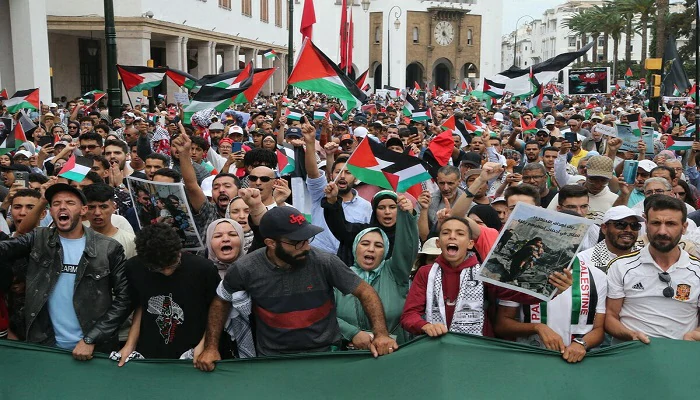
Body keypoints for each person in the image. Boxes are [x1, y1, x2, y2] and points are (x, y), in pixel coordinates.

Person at [195, 206, 398, 371]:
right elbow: (221, 300)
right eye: (296, 242)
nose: (306, 247)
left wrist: (381, 334)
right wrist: (211, 347)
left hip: (326, 355)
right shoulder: (246, 268)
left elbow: (365, 291)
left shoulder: (325, 262)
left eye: (307, 239)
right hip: (273, 360)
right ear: (270, 243)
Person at [0, 183, 129, 360]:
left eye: (70, 202)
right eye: (56, 203)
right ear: (51, 211)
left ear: (83, 210)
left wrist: (91, 339)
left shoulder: (108, 248)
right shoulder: (38, 238)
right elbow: (6, 248)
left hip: (94, 349)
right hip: (46, 346)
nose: (62, 207)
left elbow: (124, 299)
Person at [117, 224, 220, 364]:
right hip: (151, 349)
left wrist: (205, 345)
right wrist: (130, 345)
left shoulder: (203, 269)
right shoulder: (134, 268)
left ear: (179, 251)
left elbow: (215, 311)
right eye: (158, 268)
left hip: (193, 350)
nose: (167, 272)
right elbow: (140, 306)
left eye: (172, 265)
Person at [606, 195, 700, 342]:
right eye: (656, 223)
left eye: (671, 224)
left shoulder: (697, 270)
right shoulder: (621, 266)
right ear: (646, 224)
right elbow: (610, 316)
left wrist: (694, 335)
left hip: (681, 351)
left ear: (684, 227)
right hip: (633, 349)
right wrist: (631, 335)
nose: (662, 231)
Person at [335, 195, 418, 348]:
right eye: (365, 244)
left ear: (385, 252)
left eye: (379, 246)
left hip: (393, 352)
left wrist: (406, 216)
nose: (371, 249)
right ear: (355, 248)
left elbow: (406, 248)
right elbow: (326, 315)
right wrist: (353, 333)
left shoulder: (395, 273)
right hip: (348, 353)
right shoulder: (341, 276)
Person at [401, 217, 491, 337]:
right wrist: (425, 326)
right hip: (437, 343)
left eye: (460, 233)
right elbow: (409, 315)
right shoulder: (426, 273)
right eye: (446, 233)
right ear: (438, 243)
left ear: (470, 244)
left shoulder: (485, 274)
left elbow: (505, 305)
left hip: (478, 343)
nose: (452, 236)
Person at [579, 206, 642, 272]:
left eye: (634, 225)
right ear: (604, 228)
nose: (629, 230)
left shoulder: (645, 256)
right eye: (621, 225)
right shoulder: (584, 260)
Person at [82, 183, 137, 259]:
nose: (97, 213)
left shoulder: (130, 241)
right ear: (84, 209)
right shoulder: (75, 240)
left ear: (114, 207)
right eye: (91, 207)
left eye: (103, 207)